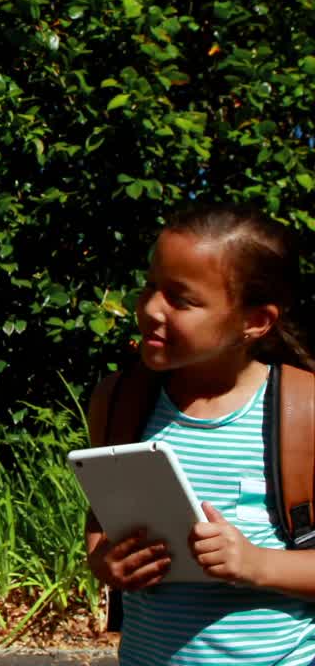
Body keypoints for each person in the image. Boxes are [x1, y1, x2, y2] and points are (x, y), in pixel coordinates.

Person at [85, 204, 315, 665]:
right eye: (151, 285)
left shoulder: (302, 411)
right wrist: (105, 560)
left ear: (255, 321)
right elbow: (100, 521)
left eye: (180, 299)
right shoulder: (120, 401)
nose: (151, 309)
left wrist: (256, 563)